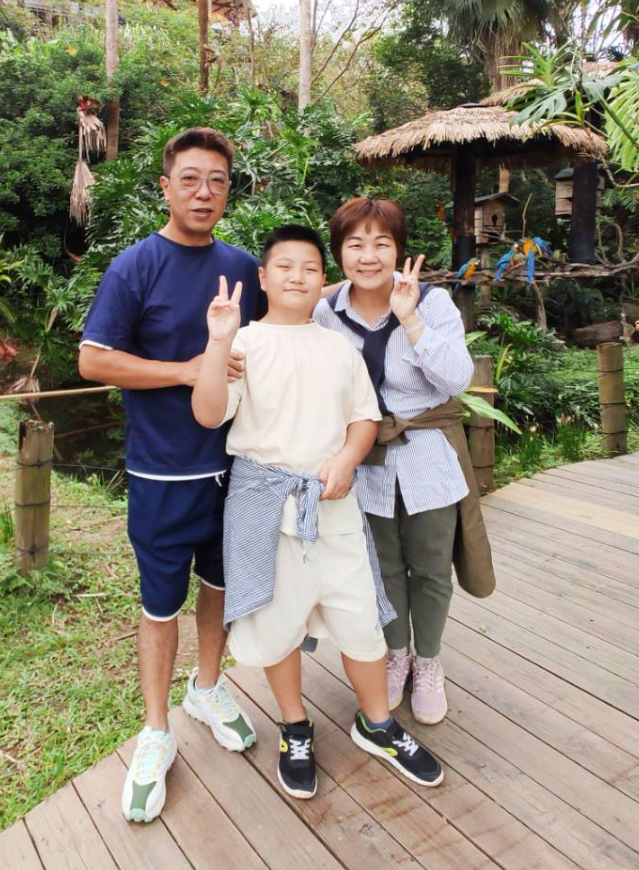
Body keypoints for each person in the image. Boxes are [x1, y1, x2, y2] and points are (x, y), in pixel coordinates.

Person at [192, 224, 444, 800]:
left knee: (361, 618)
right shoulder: (242, 343)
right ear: (263, 277)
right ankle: (294, 727)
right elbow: (208, 413)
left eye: (309, 268)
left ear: (322, 279)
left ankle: (377, 723)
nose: (298, 277)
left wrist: (349, 459)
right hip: (264, 506)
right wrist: (217, 342)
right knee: (277, 623)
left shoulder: (338, 347)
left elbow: (364, 418)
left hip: (334, 505)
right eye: (285, 267)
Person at [78, 127, 264, 823]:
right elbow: (94, 359)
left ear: (228, 190)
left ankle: (207, 688)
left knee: (220, 586)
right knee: (161, 605)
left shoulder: (243, 267)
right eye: (190, 179)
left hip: (238, 465)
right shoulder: (136, 266)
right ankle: (156, 729)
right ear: (165, 186)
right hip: (162, 472)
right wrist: (184, 371)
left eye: (217, 180)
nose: (203, 192)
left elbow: (294, 315)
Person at [314, 197, 495, 726]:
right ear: (339, 254)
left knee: (431, 568)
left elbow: (456, 379)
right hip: (365, 460)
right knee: (383, 567)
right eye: (355, 244)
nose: (368, 256)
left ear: (399, 250)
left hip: (429, 456)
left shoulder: (432, 303)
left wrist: (409, 318)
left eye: (381, 243)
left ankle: (428, 661)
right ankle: (395, 654)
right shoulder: (328, 313)